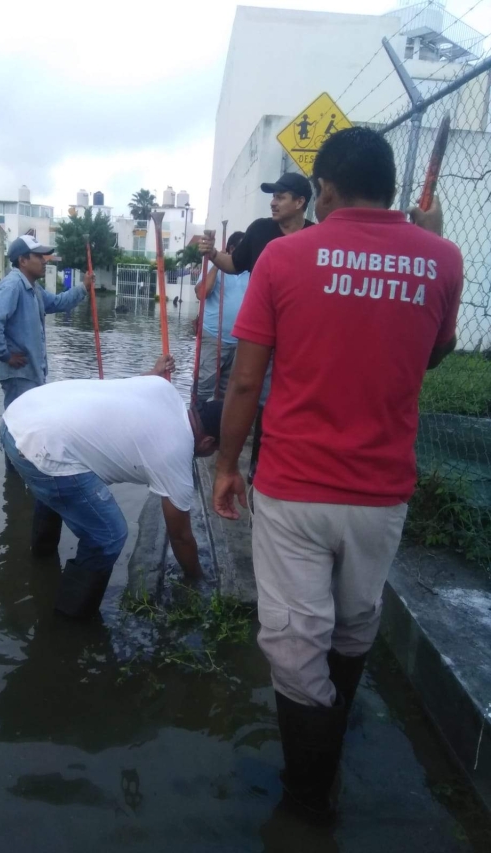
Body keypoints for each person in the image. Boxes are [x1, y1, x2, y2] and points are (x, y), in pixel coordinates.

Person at [212, 127, 459, 824]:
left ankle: (306, 798)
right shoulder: (441, 258)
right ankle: (332, 754)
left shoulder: (285, 258)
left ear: (323, 187)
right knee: (353, 626)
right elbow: (431, 357)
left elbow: (245, 384)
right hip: (381, 492)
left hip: (293, 488)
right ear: (388, 184)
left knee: (296, 647)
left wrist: (227, 465)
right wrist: (432, 241)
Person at [0, 355, 223, 619]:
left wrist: (155, 370)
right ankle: (69, 622)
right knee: (109, 534)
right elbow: (181, 537)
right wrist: (197, 579)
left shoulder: (164, 389)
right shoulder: (177, 455)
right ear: (208, 443)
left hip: (17, 416)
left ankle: (41, 560)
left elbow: (133, 386)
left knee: (56, 483)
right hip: (39, 444)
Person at [199, 172, 315, 481]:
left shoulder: (319, 237)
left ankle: (281, 460)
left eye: (281, 196)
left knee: (287, 399)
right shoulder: (261, 230)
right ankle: (249, 465)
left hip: (302, 336)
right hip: (262, 332)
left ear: (300, 202)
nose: (273, 202)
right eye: (272, 196)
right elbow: (234, 265)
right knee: (252, 392)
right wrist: (211, 254)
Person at [0, 234, 93, 412]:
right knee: (21, 427)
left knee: (29, 425)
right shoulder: (13, 285)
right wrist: (5, 355)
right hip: (19, 373)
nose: (44, 261)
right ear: (23, 260)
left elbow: (57, 303)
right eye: (38, 256)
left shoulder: (33, 288)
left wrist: (83, 287)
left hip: (30, 371)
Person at [194, 231, 249, 402]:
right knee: (203, 387)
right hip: (213, 337)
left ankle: (218, 425)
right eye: (243, 249)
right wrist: (218, 263)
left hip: (240, 341)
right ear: (232, 249)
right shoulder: (214, 269)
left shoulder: (251, 270)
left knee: (227, 392)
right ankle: (195, 422)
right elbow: (202, 293)